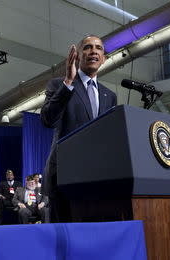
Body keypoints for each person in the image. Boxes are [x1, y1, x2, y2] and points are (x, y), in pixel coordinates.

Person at [41, 35, 117, 222]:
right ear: (77, 56)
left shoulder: (110, 95)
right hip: (65, 178)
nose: (93, 51)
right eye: (88, 47)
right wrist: (68, 80)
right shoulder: (59, 84)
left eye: (98, 48)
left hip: (98, 180)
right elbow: (47, 120)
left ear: (104, 57)